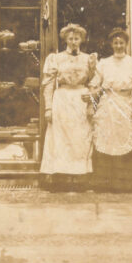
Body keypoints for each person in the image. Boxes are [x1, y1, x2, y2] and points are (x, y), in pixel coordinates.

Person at [40, 23, 96, 191]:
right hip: (62, 100)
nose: (73, 42)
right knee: (60, 140)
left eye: (76, 38)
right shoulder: (55, 59)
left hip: (81, 100)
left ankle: (79, 179)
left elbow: (94, 83)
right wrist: (48, 108)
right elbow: (48, 84)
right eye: (70, 39)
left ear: (81, 40)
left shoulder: (89, 59)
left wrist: (91, 101)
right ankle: (61, 179)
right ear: (65, 40)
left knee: (81, 139)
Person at [88, 28, 132, 192]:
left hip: (126, 103)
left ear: (126, 44)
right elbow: (95, 84)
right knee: (106, 139)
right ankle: (104, 182)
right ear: (111, 44)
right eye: (115, 43)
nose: (119, 46)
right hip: (108, 104)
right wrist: (92, 99)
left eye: (122, 43)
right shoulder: (104, 63)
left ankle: (125, 183)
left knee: (124, 138)